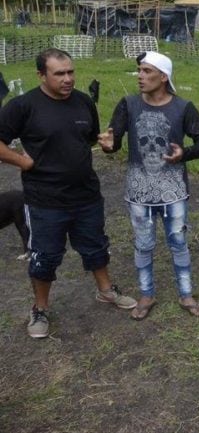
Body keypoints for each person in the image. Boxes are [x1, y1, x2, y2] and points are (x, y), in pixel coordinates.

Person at [0, 48, 136, 339]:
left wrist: (109, 145)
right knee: (45, 256)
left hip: (86, 194)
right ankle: (40, 308)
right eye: (59, 73)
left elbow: (88, 141)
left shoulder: (84, 102)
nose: (67, 79)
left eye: (70, 72)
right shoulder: (22, 106)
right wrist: (23, 161)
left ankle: (106, 290)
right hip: (45, 200)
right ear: (41, 75)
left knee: (96, 245)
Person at [98, 51, 199, 320]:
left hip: (173, 191)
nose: (140, 76)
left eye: (147, 71)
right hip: (139, 192)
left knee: (178, 243)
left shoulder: (183, 108)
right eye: (139, 70)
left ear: (164, 77)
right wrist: (108, 146)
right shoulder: (128, 104)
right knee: (143, 244)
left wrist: (184, 153)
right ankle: (146, 295)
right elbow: (113, 142)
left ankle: (185, 294)